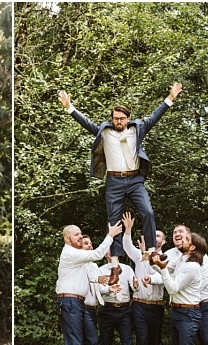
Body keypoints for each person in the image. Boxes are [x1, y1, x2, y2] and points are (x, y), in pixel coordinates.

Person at [58, 82, 183, 283]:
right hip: (114, 180)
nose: (118, 121)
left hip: (135, 179)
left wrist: (171, 97)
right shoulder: (104, 132)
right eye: (115, 118)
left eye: (122, 119)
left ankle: (152, 251)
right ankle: (115, 265)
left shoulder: (137, 129)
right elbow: (86, 123)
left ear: (128, 118)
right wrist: (69, 107)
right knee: (114, 221)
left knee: (147, 211)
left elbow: (155, 116)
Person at [55, 222, 121, 345]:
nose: (80, 236)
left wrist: (102, 282)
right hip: (70, 301)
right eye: (76, 234)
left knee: (89, 341)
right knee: (75, 344)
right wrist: (110, 235)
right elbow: (97, 254)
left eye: (80, 233)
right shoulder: (70, 253)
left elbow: (89, 277)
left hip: (77, 303)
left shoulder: (79, 258)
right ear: (67, 238)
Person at [152, 232, 206, 345]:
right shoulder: (182, 259)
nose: (181, 239)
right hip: (178, 311)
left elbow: (172, 288)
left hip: (188, 314)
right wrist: (152, 261)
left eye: (186, 239)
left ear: (192, 247)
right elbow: (164, 269)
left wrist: (162, 267)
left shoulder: (192, 266)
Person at [121, 212, 165, 345]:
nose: (154, 237)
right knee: (142, 339)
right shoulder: (139, 256)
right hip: (139, 305)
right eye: (153, 235)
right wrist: (128, 229)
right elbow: (127, 246)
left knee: (154, 342)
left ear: (163, 241)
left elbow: (163, 278)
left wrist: (151, 277)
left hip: (156, 306)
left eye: (158, 235)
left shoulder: (166, 258)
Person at [96, 249, 136, 345]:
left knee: (127, 343)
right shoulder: (100, 270)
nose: (112, 251)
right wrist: (109, 289)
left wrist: (136, 285)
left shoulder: (127, 269)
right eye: (109, 249)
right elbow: (98, 290)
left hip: (124, 310)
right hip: (107, 309)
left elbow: (134, 287)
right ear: (105, 253)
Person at [81, 235, 108, 345]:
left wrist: (110, 289)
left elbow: (99, 288)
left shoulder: (94, 266)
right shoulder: (79, 264)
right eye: (86, 243)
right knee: (92, 340)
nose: (90, 245)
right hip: (82, 307)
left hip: (92, 309)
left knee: (88, 341)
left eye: (91, 243)